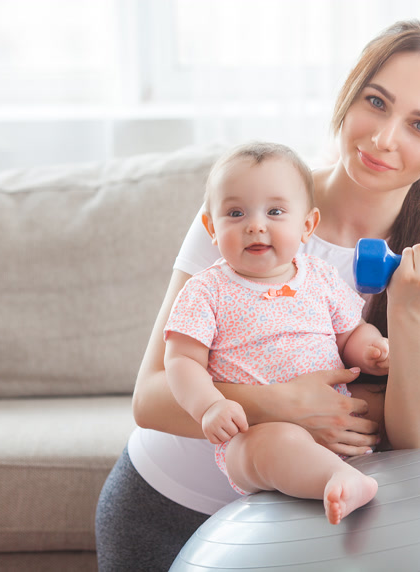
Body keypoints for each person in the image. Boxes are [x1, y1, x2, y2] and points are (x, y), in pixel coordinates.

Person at [96, 20, 420, 571]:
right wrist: (284, 404)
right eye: (375, 102)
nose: (383, 138)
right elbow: (153, 399)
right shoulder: (254, 206)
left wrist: (407, 307)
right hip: (165, 508)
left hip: (307, 535)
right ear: (348, 94)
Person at [164, 141, 387, 525]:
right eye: (235, 213)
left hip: (336, 414)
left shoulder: (319, 276)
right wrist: (210, 405)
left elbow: (350, 332)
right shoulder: (206, 290)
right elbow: (182, 360)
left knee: (413, 396)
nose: (255, 224)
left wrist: (372, 350)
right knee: (270, 447)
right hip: (256, 431)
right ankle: (338, 479)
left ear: (307, 225)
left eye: (275, 211)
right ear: (211, 228)